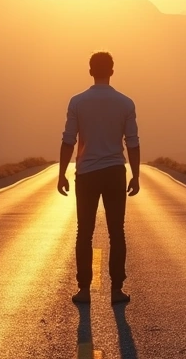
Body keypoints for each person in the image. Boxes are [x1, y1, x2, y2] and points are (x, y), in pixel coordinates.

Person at [58, 51, 140, 304]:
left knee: (85, 232)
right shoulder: (126, 103)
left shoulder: (77, 102)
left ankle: (84, 289)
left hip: (87, 173)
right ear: (112, 71)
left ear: (91, 71)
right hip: (115, 171)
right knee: (117, 232)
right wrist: (135, 176)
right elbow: (133, 143)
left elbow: (68, 140)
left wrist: (61, 174)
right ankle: (116, 290)